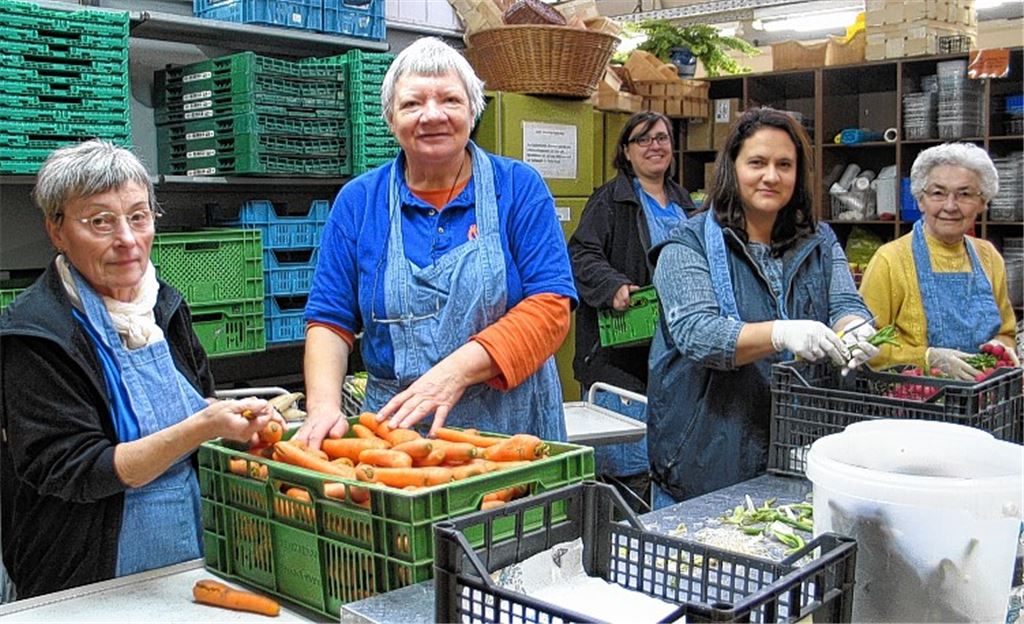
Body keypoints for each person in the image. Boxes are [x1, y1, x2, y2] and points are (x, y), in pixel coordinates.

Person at [0, 140, 279, 599]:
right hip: (88, 575)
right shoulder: (36, 335)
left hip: (191, 553)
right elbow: (78, 469)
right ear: (57, 230)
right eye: (100, 221)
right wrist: (199, 428)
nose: (127, 240)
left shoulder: (163, 306)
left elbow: (197, 399)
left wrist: (232, 423)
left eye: (138, 216)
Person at [298, 37, 576, 448]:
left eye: (450, 100)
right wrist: (323, 406)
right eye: (412, 104)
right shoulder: (359, 202)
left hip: (510, 431)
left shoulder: (517, 188)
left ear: (472, 111)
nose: (432, 115)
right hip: (397, 434)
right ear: (390, 119)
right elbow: (330, 320)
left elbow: (551, 308)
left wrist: (455, 372)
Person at [646, 107, 876, 508]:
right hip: (708, 458)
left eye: (784, 165)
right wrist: (780, 333)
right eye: (757, 163)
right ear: (731, 168)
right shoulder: (687, 245)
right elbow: (697, 334)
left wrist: (855, 327)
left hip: (803, 449)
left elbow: (844, 302)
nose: (772, 176)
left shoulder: (819, 241)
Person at [568, 111, 696, 512]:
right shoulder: (611, 200)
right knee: (625, 462)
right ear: (626, 150)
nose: (655, 146)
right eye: (643, 140)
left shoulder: (684, 202)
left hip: (672, 351)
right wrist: (613, 286)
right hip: (618, 356)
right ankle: (620, 534)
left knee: (666, 455)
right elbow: (581, 254)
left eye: (661, 138)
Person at [859, 142, 1019, 377]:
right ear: (920, 200)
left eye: (964, 194)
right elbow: (864, 345)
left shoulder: (989, 257)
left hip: (982, 398)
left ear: (982, 202)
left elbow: (1006, 332)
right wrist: (926, 358)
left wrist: (1002, 350)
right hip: (914, 401)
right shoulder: (890, 260)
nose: (950, 206)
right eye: (938, 193)